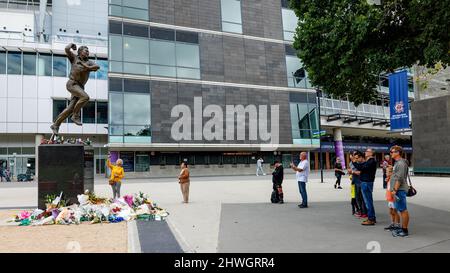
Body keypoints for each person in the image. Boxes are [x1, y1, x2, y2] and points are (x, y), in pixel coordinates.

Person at [50, 43, 100, 135]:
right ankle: (75, 116)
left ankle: (56, 125)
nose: (88, 52)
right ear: (80, 52)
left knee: (70, 109)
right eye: (86, 51)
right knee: (85, 97)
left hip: (80, 87)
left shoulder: (89, 62)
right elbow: (66, 49)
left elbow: (97, 67)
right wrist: (71, 45)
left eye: (88, 51)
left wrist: (86, 67)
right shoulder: (74, 58)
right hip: (72, 84)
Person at [390, 145, 410, 237]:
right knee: (400, 209)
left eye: (392, 151)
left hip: (399, 190)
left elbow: (400, 178)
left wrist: (394, 190)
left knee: (403, 210)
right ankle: (402, 228)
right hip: (398, 190)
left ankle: (405, 230)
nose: (391, 153)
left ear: (398, 153)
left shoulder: (401, 163)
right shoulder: (397, 163)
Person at [353, 148, 377, 226]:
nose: (365, 152)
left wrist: (354, 162)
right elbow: (362, 166)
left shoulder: (371, 161)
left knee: (368, 201)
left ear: (371, 153)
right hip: (365, 182)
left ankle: (371, 219)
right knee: (368, 201)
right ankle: (371, 217)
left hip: (366, 183)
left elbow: (361, 168)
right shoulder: (368, 161)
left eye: (367, 151)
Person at [348, 151, 367, 218]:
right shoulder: (351, 163)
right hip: (354, 182)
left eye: (354, 155)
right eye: (352, 155)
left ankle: (364, 212)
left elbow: (360, 172)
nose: (353, 157)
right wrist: (350, 173)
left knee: (361, 198)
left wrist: (352, 171)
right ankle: (359, 210)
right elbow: (351, 172)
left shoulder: (360, 162)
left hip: (360, 181)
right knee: (356, 198)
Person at [384, 165, 401, 232]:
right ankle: (393, 224)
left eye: (387, 172)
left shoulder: (394, 179)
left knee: (395, 212)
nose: (386, 173)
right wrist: (388, 178)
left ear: (391, 172)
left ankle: (398, 225)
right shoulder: (389, 178)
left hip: (393, 198)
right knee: (391, 212)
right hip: (390, 198)